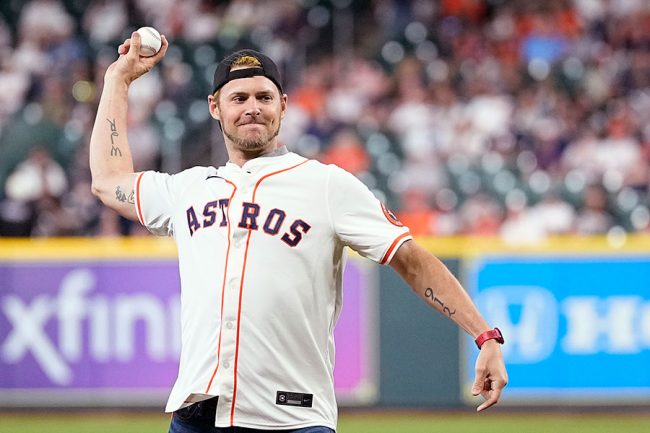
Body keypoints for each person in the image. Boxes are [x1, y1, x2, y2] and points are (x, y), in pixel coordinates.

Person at [89, 31, 507, 433]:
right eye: (239, 98)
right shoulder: (188, 189)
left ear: (284, 105)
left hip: (293, 417)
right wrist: (118, 80)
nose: (253, 107)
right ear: (215, 107)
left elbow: (411, 259)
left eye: (264, 97)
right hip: (198, 415)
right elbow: (108, 181)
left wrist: (484, 335)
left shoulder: (326, 185)